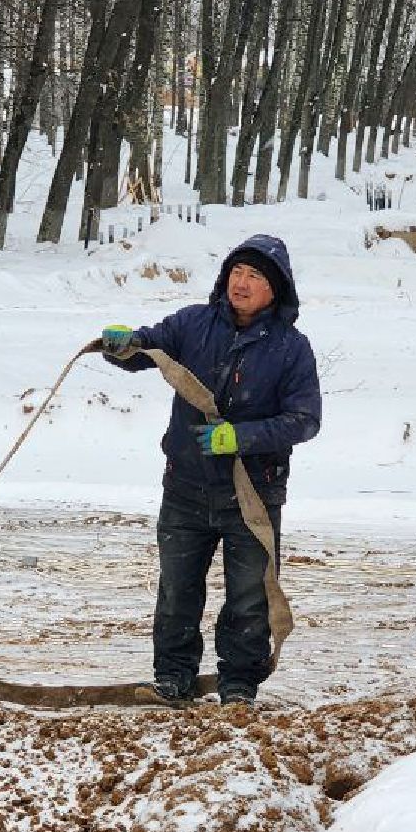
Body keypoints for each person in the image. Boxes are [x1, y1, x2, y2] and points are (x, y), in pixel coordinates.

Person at [101, 234, 322, 708]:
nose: (242, 283)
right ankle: (173, 678)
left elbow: (305, 421)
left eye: (255, 276)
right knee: (177, 589)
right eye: (237, 272)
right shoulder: (193, 324)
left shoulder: (292, 349)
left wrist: (241, 437)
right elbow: (148, 348)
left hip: (253, 494)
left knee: (248, 596)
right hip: (184, 486)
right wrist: (121, 345)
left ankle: (238, 683)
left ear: (276, 289)